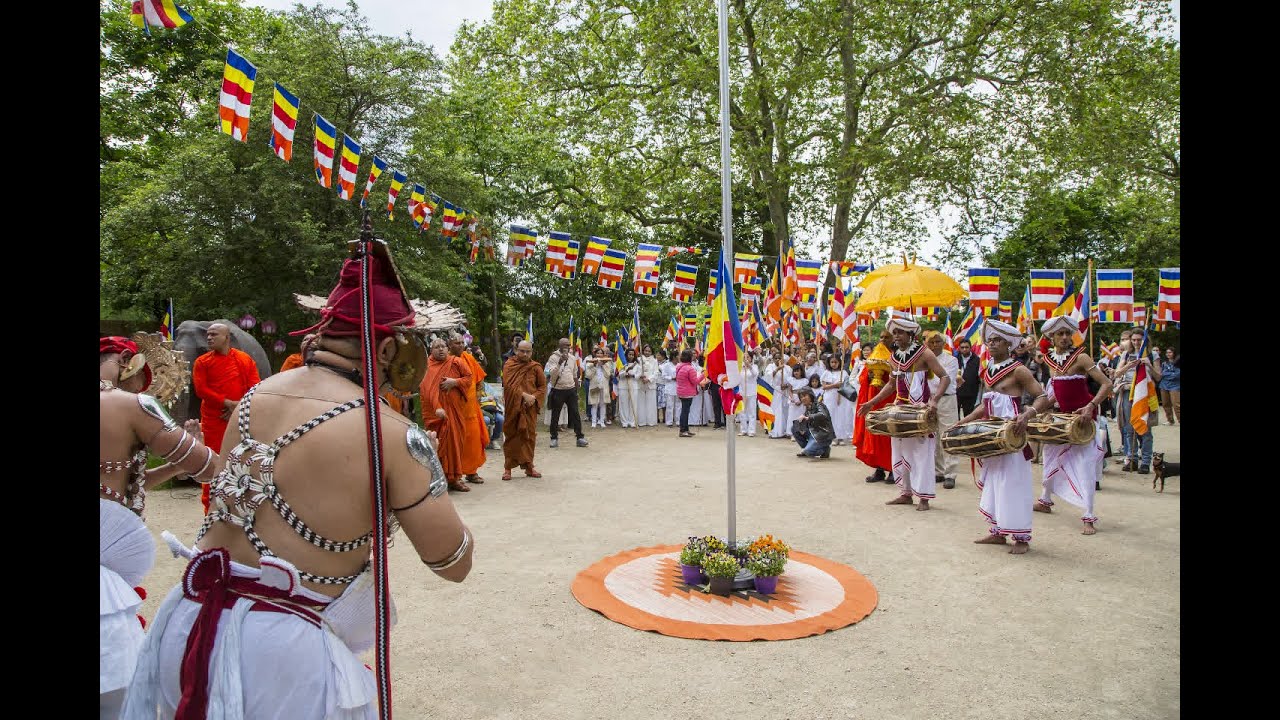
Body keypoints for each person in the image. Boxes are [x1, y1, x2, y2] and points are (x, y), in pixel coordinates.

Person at [122, 242, 475, 719]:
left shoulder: (252, 398)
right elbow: (452, 561)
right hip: (278, 656)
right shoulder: (389, 431)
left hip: (187, 623)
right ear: (389, 347)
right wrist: (422, 483)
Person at [100, 334, 222, 719]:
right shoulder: (131, 405)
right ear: (125, 360)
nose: (145, 387)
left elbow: (129, 483)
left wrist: (172, 468)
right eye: (143, 378)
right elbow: (208, 467)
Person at [954, 318, 1053, 554]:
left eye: (998, 340)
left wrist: (1027, 414)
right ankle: (997, 531)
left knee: (1014, 483)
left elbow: (1044, 397)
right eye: (990, 341)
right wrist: (964, 421)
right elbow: (986, 405)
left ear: (1009, 345)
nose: (992, 344)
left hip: (1013, 435)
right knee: (995, 482)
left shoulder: (1019, 369)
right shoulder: (988, 370)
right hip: (992, 435)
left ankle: (1021, 538)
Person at [857, 312, 949, 510]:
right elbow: (891, 385)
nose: (896, 336)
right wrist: (871, 402)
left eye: (900, 333)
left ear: (910, 335)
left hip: (920, 411)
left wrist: (934, 401)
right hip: (899, 410)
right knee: (899, 452)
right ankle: (905, 493)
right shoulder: (893, 357)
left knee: (922, 454)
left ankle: (924, 498)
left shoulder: (925, 353)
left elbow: (945, 377)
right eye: (895, 332)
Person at [1033, 316, 1112, 535]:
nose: (1066, 338)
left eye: (1069, 333)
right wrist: (1032, 412)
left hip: (1084, 421)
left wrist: (1090, 406)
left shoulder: (1082, 357)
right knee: (1050, 458)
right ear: (1052, 337)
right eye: (1061, 334)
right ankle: (1045, 500)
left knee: (1084, 465)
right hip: (1062, 420)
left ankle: (1088, 515)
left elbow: (1107, 384)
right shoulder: (1049, 361)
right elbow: (1052, 396)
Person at [191, 322, 261, 515]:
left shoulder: (244, 360)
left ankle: (242, 507)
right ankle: (210, 509)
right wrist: (227, 403)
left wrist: (236, 407)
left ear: (227, 338)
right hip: (214, 421)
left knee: (242, 461)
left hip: (239, 418)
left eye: (214, 334)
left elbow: (255, 387)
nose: (209, 338)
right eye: (208, 335)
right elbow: (201, 390)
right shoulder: (203, 362)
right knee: (213, 463)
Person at [419, 337, 475, 492]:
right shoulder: (426, 366)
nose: (441, 349)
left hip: (454, 412)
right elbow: (426, 390)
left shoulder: (455, 362)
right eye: (437, 347)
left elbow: (469, 378)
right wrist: (437, 407)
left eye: (443, 346)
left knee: (455, 443)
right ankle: (438, 478)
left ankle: (454, 478)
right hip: (435, 414)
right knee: (436, 444)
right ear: (431, 350)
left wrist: (454, 382)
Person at [1113, 328, 1157, 474]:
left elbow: (1159, 376)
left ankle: (1145, 461)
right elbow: (1117, 373)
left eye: (1139, 340)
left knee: (1145, 428)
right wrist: (1129, 365)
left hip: (1144, 393)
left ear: (1145, 341)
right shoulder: (1126, 354)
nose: (1136, 342)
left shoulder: (1152, 354)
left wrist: (1148, 364)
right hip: (1127, 392)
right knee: (1129, 428)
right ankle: (1132, 459)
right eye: (1134, 340)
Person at [503, 340, 549, 479]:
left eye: (527, 351)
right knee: (512, 436)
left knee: (529, 437)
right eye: (522, 351)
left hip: (529, 409)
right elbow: (508, 385)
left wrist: (533, 398)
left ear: (531, 352)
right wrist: (524, 395)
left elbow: (542, 387)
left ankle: (529, 466)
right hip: (513, 408)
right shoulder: (509, 365)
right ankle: (508, 469)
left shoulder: (535, 367)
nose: (524, 354)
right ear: (516, 350)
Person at [450, 334, 490, 485]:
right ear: (450, 345)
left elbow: (479, 380)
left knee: (474, 442)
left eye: (462, 342)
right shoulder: (446, 361)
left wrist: (478, 394)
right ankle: (456, 475)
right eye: (456, 343)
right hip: (454, 410)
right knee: (456, 443)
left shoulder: (469, 358)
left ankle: (472, 472)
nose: (460, 345)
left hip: (471, 409)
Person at [854, 333, 894, 482]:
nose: (883, 340)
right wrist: (869, 377)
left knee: (888, 436)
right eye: (881, 337)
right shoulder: (872, 358)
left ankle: (893, 470)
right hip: (873, 403)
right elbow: (862, 378)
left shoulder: (896, 357)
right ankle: (879, 469)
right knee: (875, 435)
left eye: (886, 337)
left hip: (889, 402)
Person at [924, 331, 961, 490]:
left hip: (946, 399)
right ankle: (938, 471)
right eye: (931, 342)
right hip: (929, 399)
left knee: (948, 435)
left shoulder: (951, 360)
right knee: (933, 435)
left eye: (937, 341)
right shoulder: (925, 360)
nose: (934, 345)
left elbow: (944, 380)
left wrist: (936, 399)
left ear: (943, 343)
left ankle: (950, 473)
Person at [545, 337, 589, 448]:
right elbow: (552, 375)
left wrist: (576, 390)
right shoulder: (553, 358)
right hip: (558, 390)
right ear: (559, 346)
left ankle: (580, 437)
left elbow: (575, 374)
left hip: (571, 390)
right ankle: (554, 438)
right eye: (564, 345)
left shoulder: (573, 358)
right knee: (555, 415)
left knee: (575, 413)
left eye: (568, 345)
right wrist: (560, 362)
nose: (567, 347)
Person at [820, 354, 855, 446]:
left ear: (839, 362)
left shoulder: (844, 373)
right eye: (832, 362)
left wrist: (841, 385)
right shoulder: (826, 373)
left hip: (842, 396)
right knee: (831, 415)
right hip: (830, 396)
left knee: (842, 415)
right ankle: (833, 437)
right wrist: (835, 385)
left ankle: (841, 437)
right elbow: (824, 387)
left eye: (836, 362)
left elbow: (848, 385)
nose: (834, 364)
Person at [793, 387, 834, 459]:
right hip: (814, 433)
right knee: (796, 426)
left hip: (823, 435)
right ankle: (808, 448)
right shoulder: (807, 408)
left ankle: (825, 449)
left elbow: (823, 414)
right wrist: (801, 427)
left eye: (805, 396)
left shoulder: (819, 405)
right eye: (801, 397)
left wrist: (809, 417)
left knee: (808, 452)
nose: (803, 398)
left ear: (810, 395)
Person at [675, 349, 707, 437]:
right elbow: (695, 381)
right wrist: (703, 375)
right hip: (687, 392)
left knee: (684, 411)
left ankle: (685, 429)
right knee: (685, 412)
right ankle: (683, 430)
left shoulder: (679, 366)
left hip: (681, 391)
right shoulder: (690, 368)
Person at [585, 347, 615, 428]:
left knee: (603, 404)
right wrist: (595, 365)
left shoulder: (607, 363)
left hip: (604, 386)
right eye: (598, 353)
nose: (599, 355)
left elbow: (608, 375)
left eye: (601, 353)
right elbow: (588, 376)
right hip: (594, 386)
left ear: (603, 354)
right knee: (594, 404)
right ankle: (594, 422)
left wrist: (603, 365)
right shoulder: (589, 363)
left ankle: (602, 421)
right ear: (595, 354)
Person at [765, 349, 791, 439]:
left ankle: (785, 431)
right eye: (776, 358)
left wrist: (787, 385)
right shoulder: (770, 366)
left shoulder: (787, 368)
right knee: (776, 411)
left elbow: (791, 379)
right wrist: (778, 369)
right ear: (773, 359)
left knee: (785, 411)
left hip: (785, 392)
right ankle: (775, 431)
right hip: (775, 391)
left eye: (779, 358)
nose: (777, 360)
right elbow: (768, 377)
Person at [955, 339, 981, 418]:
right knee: (955, 416)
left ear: (970, 348)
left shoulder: (977, 360)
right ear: (959, 348)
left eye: (966, 347)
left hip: (971, 393)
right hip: (957, 393)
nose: (964, 349)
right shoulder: (955, 359)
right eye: (962, 347)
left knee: (968, 417)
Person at [738, 348, 760, 437]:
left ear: (751, 358)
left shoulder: (754, 367)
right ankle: (743, 429)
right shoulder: (740, 367)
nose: (746, 359)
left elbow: (755, 374)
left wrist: (749, 366)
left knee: (751, 412)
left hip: (751, 392)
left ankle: (751, 430)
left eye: (748, 357)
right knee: (742, 411)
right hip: (742, 392)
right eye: (745, 357)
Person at [617, 348, 639, 428]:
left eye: (633, 355)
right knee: (623, 404)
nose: (631, 356)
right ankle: (624, 421)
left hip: (634, 385)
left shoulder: (637, 364)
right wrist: (625, 373)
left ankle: (632, 421)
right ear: (626, 355)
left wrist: (633, 375)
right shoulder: (622, 363)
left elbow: (639, 375)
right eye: (629, 354)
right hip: (623, 386)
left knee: (633, 403)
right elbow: (619, 374)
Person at [786, 364, 810, 438]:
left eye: (798, 371)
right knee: (792, 416)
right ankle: (792, 433)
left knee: (801, 416)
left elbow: (805, 391)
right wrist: (792, 398)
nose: (796, 373)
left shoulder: (805, 381)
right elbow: (789, 390)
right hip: (793, 398)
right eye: (794, 371)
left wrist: (801, 400)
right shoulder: (791, 380)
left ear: (801, 372)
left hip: (802, 398)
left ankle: (801, 432)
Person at [638, 346, 659, 427]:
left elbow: (656, 372)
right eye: (646, 351)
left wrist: (649, 379)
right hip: (641, 383)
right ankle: (641, 421)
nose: (647, 352)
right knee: (641, 403)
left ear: (651, 352)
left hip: (651, 384)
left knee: (651, 403)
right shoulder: (639, 360)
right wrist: (641, 376)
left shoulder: (654, 361)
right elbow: (637, 370)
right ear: (643, 351)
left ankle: (651, 421)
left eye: (649, 351)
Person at [1158, 347, 1180, 424]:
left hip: (1175, 385)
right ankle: (1170, 420)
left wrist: (1167, 374)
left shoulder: (1178, 362)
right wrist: (1171, 374)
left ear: (1174, 353)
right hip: (1164, 385)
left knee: (1176, 404)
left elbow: (1177, 375)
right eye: (1167, 352)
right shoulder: (1164, 363)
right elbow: (1162, 373)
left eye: (1170, 352)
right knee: (1165, 404)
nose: (1168, 354)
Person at [659, 349, 679, 427]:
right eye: (678, 355)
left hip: (678, 387)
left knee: (678, 405)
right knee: (670, 405)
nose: (679, 357)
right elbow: (664, 376)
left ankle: (678, 421)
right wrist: (672, 378)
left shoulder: (679, 365)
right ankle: (669, 422)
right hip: (670, 386)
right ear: (674, 357)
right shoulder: (667, 365)